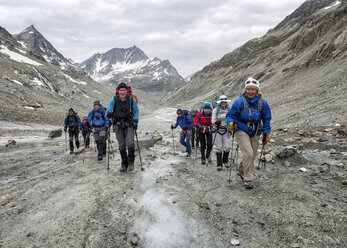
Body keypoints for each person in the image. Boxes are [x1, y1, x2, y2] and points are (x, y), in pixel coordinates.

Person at [226, 77, 271, 189]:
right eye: (248, 89)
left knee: (253, 154)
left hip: (255, 130)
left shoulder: (262, 103)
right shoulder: (239, 101)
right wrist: (231, 123)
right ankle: (248, 179)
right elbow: (230, 116)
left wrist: (266, 132)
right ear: (245, 90)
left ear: (257, 91)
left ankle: (240, 168)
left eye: (253, 89)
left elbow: (266, 118)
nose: (250, 91)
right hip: (241, 129)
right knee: (249, 154)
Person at [106, 82, 139, 172]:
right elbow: (108, 110)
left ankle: (131, 162)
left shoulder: (131, 99)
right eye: (121, 90)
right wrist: (108, 114)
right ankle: (124, 164)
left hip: (129, 124)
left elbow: (136, 111)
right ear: (118, 91)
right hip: (118, 125)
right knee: (121, 145)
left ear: (127, 91)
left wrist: (136, 121)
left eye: (124, 90)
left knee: (130, 144)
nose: (122, 92)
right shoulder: (114, 100)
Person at [212, 95, 231, 171]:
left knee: (227, 147)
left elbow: (232, 117)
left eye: (225, 102)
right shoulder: (215, 110)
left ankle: (225, 160)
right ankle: (219, 164)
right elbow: (212, 120)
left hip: (226, 129)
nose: (223, 103)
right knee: (219, 147)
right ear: (220, 102)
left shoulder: (229, 109)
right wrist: (216, 123)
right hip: (218, 130)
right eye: (222, 101)